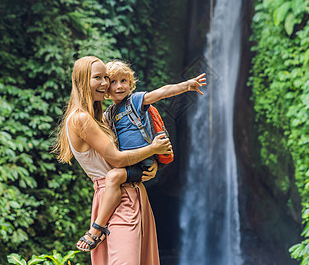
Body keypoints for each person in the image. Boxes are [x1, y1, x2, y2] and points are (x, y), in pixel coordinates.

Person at [53, 56, 172, 265]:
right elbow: (117, 160)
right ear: (82, 81)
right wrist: (153, 148)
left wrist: (152, 163)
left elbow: (131, 148)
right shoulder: (81, 119)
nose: (105, 83)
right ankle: (96, 230)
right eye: (97, 78)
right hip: (117, 200)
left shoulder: (104, 118)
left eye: (105, 77)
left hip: (132, 192)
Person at [82, 59, 206, 254]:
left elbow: (161, 92)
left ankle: (97, 228)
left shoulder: (136, 101)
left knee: (114, 177)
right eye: (113, 82)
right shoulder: (108, 114)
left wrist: (186, 86)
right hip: (130, 161)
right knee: (114, 175)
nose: (119, 86)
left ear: (131, 84)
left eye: (124, 81)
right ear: (106, 89)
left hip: (143, 161)